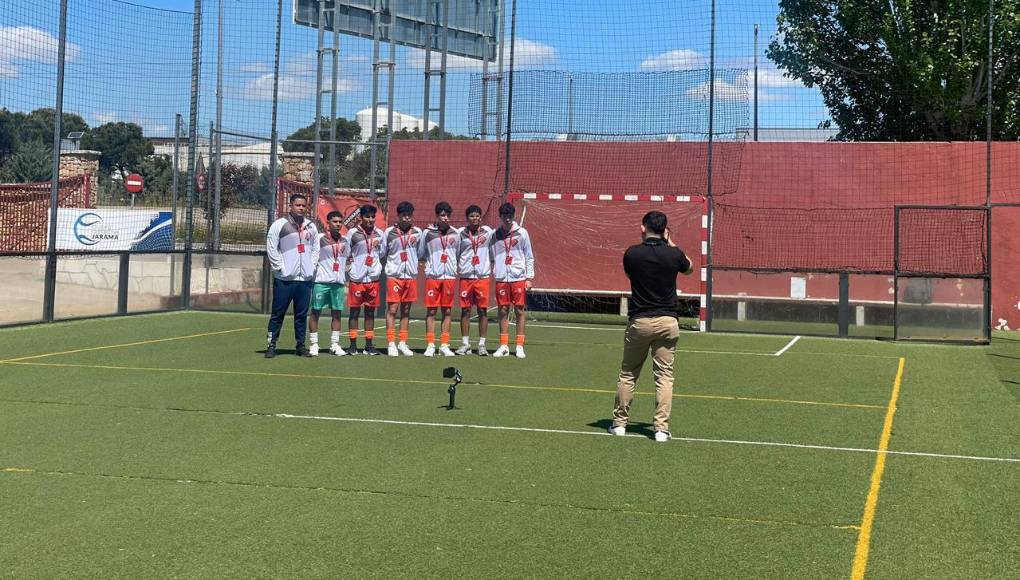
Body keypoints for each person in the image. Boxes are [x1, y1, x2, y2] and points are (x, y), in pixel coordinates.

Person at [609, 210, 693, 443]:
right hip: (668, 322)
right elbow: (689, 268)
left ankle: (619, 424)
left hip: (640, 321)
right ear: (665, 230)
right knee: (664, 377)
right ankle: (661, 430)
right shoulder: (675, 254)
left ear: (644, 227)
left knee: (628, 374)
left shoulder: (632, 254)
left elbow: (629, 274)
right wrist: (670, 242)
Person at [265, 193, 319, 358]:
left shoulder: (311, 226)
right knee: (278, 313)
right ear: (291, 206)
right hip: (285, 279)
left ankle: (300, 346)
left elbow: (316, 249)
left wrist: (312, 268)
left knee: (301, 315)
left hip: (304, 280)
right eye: (298, 205)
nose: (301, 208)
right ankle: (271, 344)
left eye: (304, 206)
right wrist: (280, 268)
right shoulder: (279, 225)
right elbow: (271, 247)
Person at [490, 202, 534, 359]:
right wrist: (495, 270)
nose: (507, 219)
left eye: (510, 216)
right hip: (502, 278)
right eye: (504, 217)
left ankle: (519, 346)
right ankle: (503, 345)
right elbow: (491, 256)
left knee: (519, 311)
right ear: (500, 217)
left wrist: (529, 278)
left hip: (518, 277)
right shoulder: (495, 235)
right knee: (502, 311)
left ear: (513, 216)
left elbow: (529, 256)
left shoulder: (522, 233)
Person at [419, 201, 459, 357]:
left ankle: (444, 344)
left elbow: (458, 253)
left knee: (447, 311)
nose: (445, 218)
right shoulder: (427, 233)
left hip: (448, 276)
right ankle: (430, 344)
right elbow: (421, 252)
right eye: (442, 215)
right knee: (431, 311)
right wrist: (430, 266)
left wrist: (452, 267)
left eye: (448, 215)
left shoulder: (455, 233)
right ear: (436, 216)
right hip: (433, 277)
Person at [308, 210, 350, 357]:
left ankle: (334, 345)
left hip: (338, 284)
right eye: (335, 222)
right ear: (328, 223)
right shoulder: (319, 239)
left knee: (337, 314)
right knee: (315, 312)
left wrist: (345, 273)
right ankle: (314, 344)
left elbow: (347, 259)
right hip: (321, 282)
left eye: (340, 222)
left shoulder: (345, 241)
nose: (338, 224)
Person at [345, 204, 385, 355]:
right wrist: (353, 269)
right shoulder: (352, 233)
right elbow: (347, 253)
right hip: (357, 279)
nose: (370, 220)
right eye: (367, 217)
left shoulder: (380, 234)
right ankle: (353, 345)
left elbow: (380, 253)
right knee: (354, 313)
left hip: (373, 278)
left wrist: (375, 268)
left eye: (372, 217)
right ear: (361, 218)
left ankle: (369, 345)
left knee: (370, 313)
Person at [454, 204, 493, 356]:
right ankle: (465, 344)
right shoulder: (460, 234)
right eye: (471, 216)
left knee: (482, 311)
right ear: (467, 218)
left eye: (477, 215)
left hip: (482, 277)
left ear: (480, 217)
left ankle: (482, 344)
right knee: (465, 311)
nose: (474, 218)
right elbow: (456, 253)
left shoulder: (488, 232)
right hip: (466, 277)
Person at [383, 201, 421, 357]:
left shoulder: (418, 232)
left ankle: (403, 343)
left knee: (406, 310)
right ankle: (391, 343)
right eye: (403, 216)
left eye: (409, 216)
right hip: (395, 276)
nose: (406, 218)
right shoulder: (389, 232)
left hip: (410, 276)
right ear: (398, 216)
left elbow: (422, 251)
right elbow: (383, 252)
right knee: (392, 309)